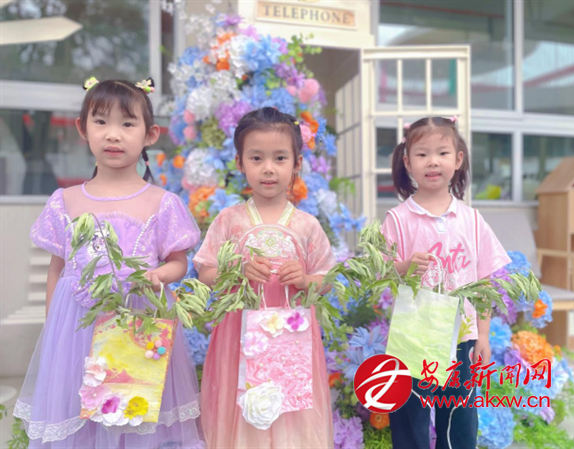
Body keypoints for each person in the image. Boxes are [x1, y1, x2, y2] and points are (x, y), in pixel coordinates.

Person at [14, 77, 204, 448]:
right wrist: (53, 330)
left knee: (132, 411)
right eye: (101, 122)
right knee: (78, 412)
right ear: (83, 129)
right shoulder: (65, 200)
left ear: (150, 134)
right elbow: (58, 269)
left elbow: (179, 262)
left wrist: (158, 274)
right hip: (76, 329)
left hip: (138, 323)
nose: (113, 134)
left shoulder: (162, 202)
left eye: (127, 123)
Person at [194, 107, 335, 448]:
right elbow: (205, 270)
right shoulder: (229, 220)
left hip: (291, 339)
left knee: (290, 411)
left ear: (297, 164)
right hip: (239, 338)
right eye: (256, 158)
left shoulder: (307, 225)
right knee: (241, 402)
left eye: (280, 158)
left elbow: (327, 278)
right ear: (240, 163)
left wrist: (304, 280)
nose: (268, 168)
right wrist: (235, 271)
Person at [381, 116, 510, 449]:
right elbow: (380, 272)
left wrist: (483, 335)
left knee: (459, 418)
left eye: (442, 152)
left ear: (458, 159)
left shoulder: (472, 219)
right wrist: (404, 267)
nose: (433, 161)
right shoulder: (398, 219)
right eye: (422, 154)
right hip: (414, 336)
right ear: (407, 162)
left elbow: (484, 282)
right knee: (410, 417)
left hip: (461, 337)